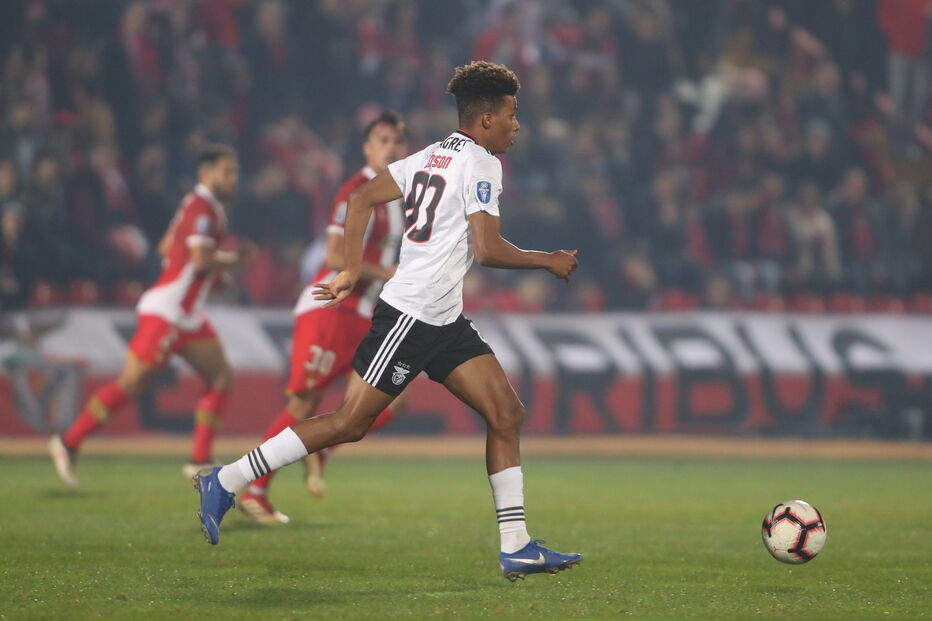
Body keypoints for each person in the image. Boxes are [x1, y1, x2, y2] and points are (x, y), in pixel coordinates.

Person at [195, 61, 582, 581]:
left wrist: (353, 268)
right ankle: (227, 479)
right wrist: (546, 259)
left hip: (443, 317)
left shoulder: (432, 154)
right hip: (412, 312)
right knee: (350, 422)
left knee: (506, 414)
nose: (518, 124)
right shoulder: (483, 164)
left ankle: (517, 546)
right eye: (513, 114)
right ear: (486, 120)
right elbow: (487, 250)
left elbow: (361, 197)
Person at [49, 145, 256, 487]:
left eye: (235, 172)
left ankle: (199, 460)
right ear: (206, 174)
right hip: (168, 312)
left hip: (187, 315)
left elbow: (166, 247)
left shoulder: (197, 206)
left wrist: (208, 271)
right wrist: (236, 260)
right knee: (132, 383)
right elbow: (201, 260)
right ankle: (68, 442)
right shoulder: (204, 208)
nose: (233, 179)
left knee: (221, 377)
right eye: (226, 172)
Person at [238, 111, 409, 524]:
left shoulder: (401, 196)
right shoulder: (357, 190)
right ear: (368, 148)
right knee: (302, 403)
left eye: (398, 141)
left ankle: (321, 450)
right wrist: (387, 273)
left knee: (394, 398)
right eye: (383, 139)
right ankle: (253, 491)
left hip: (365, 314)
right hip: (333, 307)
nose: (392, 147)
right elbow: (335, 256)